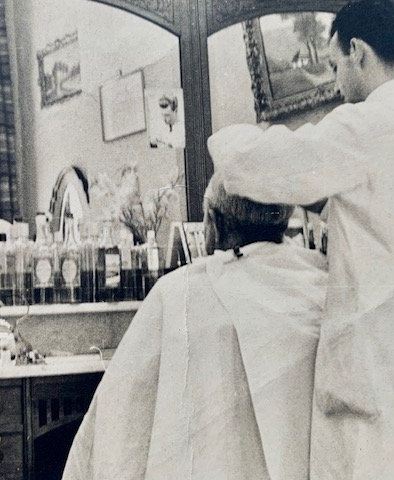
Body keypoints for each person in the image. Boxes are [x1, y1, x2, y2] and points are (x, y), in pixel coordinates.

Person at [208, 0, 394, 477]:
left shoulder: (365, 125)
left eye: (336, 63)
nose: (337, 81)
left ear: (357, 51)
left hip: (376, 371)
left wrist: (227, 142)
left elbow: (266, 167)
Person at [63, 171, 328, 480]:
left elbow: (120, 415)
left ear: (213, 223)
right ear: (283, 222)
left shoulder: (178, 292)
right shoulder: (320, 284)